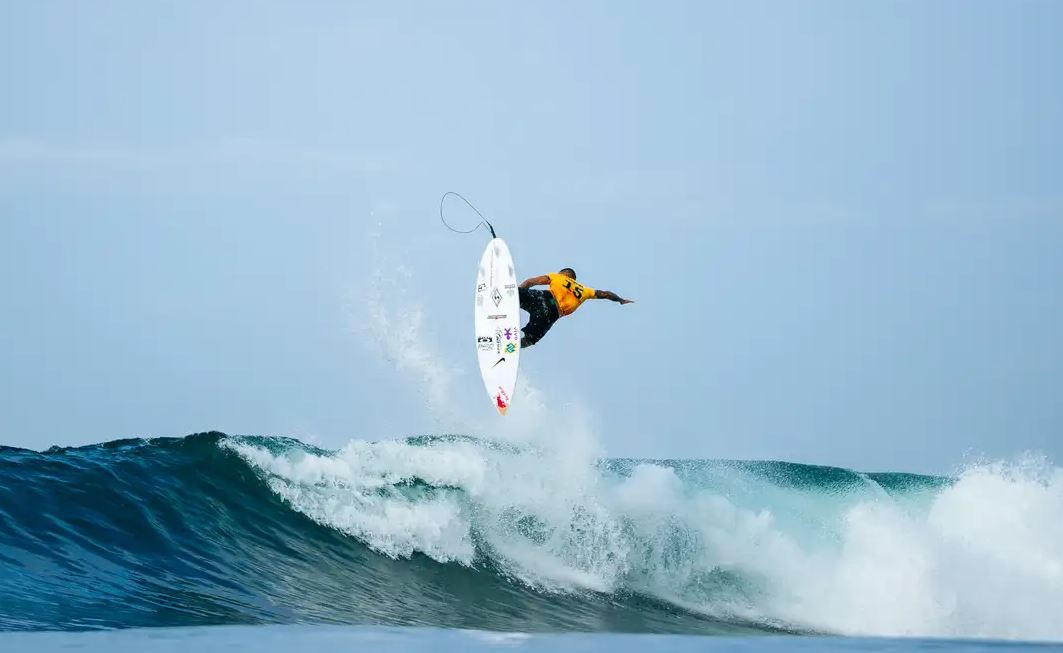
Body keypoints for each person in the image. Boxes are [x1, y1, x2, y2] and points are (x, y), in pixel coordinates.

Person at [517, 267, 633, 348]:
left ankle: (507, 297)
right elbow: (606, 294)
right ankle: (510, 348)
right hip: (551, 315)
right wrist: (620, 300)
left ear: (563, 273)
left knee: (518, 294)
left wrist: (518, 294)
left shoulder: (557, 276)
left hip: (545, 299)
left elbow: (531, 281)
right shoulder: (586, 290)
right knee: (530, 340)